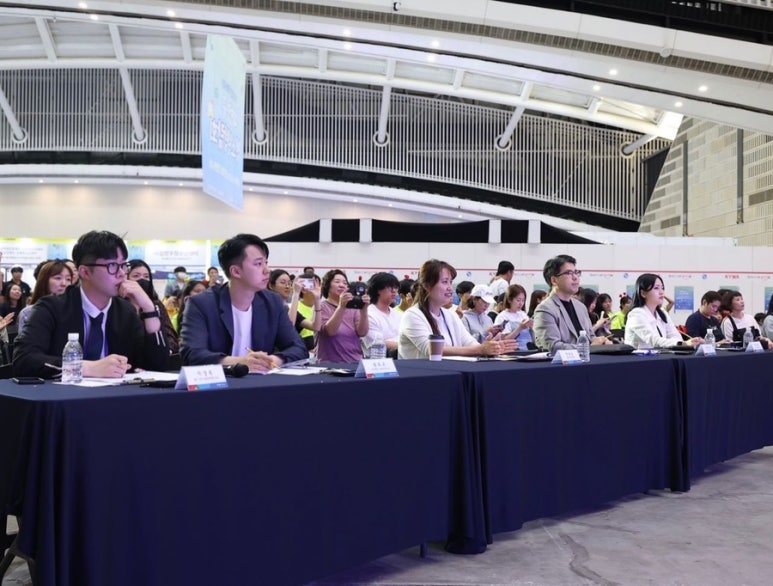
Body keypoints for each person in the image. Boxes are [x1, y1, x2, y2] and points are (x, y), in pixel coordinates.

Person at [13, 230, 169, 378]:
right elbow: (24, 359)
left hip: (114, 394)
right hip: (64, 395)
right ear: (85, 272)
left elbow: (157, 365)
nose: (122, 274)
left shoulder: (125, 311)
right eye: (112, 266)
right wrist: (87, 368)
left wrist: (149, 309)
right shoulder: (52, 308)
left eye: (123, 265)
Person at [179, 234, 307, 370]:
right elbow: (192, 354)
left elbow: (298, 348)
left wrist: (272, 360)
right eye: (258, 264)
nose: (267, 270)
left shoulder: (272, 302)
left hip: (261, 380)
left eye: (266, 263)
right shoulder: (202, 304)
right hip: (219, 380)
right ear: (236, 271)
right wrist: (239, 362)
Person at [398, 259, 517, 359]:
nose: (450, 288)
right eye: (445, 282)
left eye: (450, 282)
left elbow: (469, 342)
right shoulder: (412, 315)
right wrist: (481, 349)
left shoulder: (450, 315)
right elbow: (432, 350)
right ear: (427, 286)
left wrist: (492, 348)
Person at [533, 254, 612, 354]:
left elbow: (590, 337)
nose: (575, 277)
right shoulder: (545, 309)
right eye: (569, 273)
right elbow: (552, 346)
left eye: (576, 272)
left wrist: (602, 342)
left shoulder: (580, 307)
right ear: (554, 280)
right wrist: (588, 347)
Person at [624, 273, 703, 350]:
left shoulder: (662, 312)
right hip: (638, 357)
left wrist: (687, 343)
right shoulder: (636, 314)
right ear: (643, 293)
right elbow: (654, 340)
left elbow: (675, 336)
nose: (661, 292)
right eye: (656, 288)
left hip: (659, 356)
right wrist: (683, 344)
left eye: (662, 288)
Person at [317, 269, 370, 362]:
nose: (342, 285)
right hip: (330, 363)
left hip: (355, 361)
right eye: (337, 282)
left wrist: (364, 309)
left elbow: (362, 333)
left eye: (345, 283)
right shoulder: (322, 306)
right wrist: (341, 306)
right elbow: (330, 331)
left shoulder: (353, 307)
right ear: (327, 285)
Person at [127, 259, 179, 353]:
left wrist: (168, 350)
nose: (142, 279)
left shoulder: (156, 305)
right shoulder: (117, 305)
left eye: (146, 276)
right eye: (136, 276)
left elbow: (169, 333)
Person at [17, 260, 73, 335]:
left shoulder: (75, 310)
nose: (64, 283)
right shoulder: (29, 313)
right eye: (58, 278)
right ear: (44, 281)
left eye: (68, 279)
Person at [363, 272, 403, 357]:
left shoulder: (399, 314)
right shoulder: (369, 315)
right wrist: (406, 346)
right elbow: (377, 343)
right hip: (377, 360)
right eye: (389, 287)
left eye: (396, 287)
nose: (394, 291)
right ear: (378, 290)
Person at [288, 272, 322, 352]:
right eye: (314, 285)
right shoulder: (293, 308)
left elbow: (317, 328)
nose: (318, 288)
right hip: (302, 350)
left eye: (320, 285)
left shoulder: (321, 307)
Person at [495, 283, 534, 348]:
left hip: (528, 349)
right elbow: (502, 340)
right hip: (512, 351)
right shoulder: (502, 317)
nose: (521, 303)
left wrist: (532, 328)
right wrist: (520, 328)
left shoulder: (523, 314)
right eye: (518, 300)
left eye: (523, 300)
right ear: (509, 300)